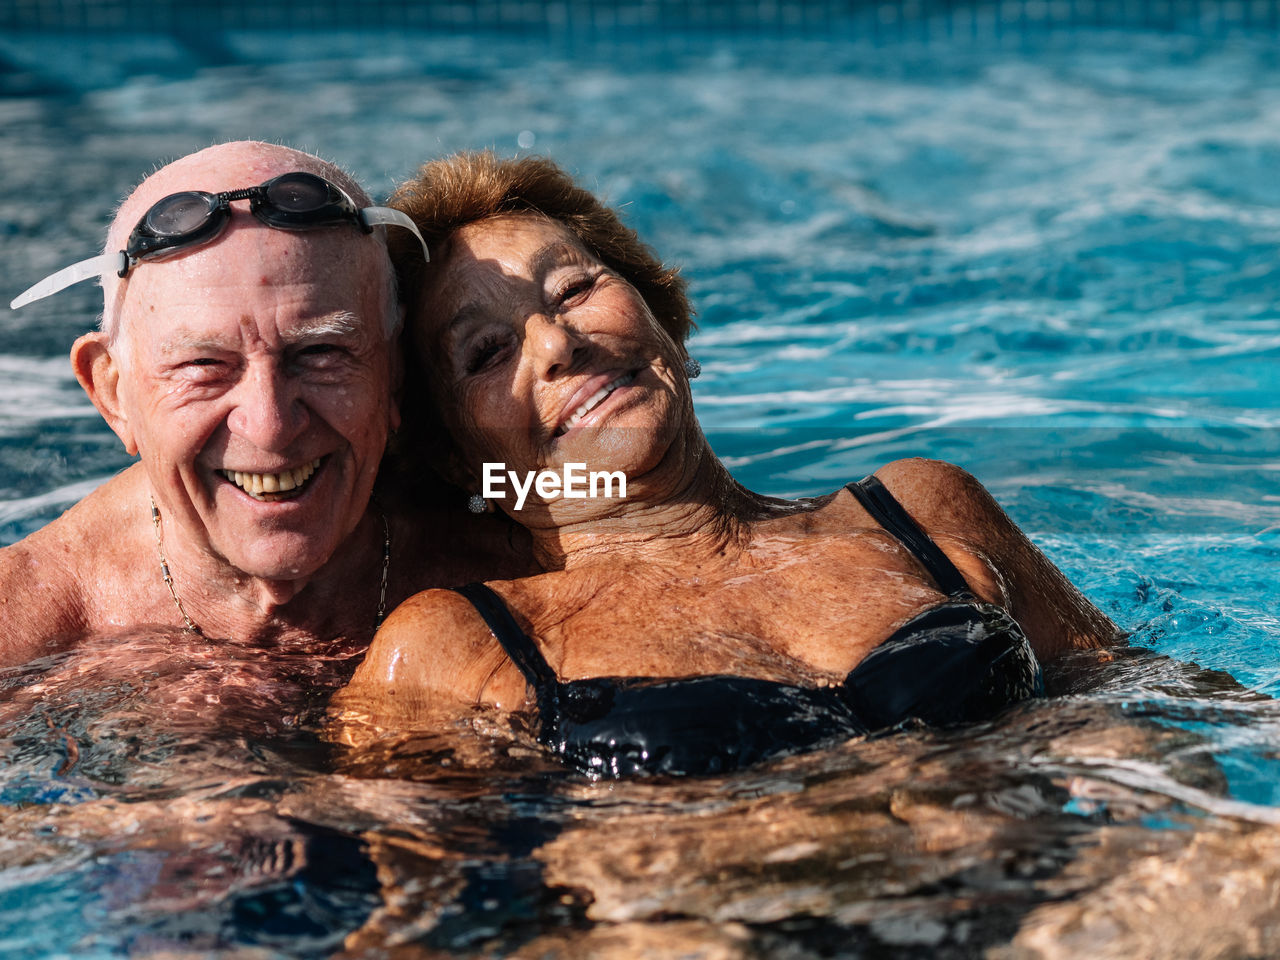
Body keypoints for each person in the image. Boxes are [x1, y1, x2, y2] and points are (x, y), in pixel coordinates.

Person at [337, 152, 1121, 779]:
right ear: (455, 458)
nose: (557, 344)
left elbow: (1151, 703)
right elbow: (416, 909)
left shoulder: (923, 512)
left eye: (574, 289)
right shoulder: (450, 649)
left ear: (666, 325)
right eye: (487, 352)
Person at [0, 141, 527, 671]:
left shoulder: (518, 564)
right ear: (112, 395)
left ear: (394, 372)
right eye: (203, 366)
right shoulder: (28, 625)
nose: (270, 426)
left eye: (320, 353)